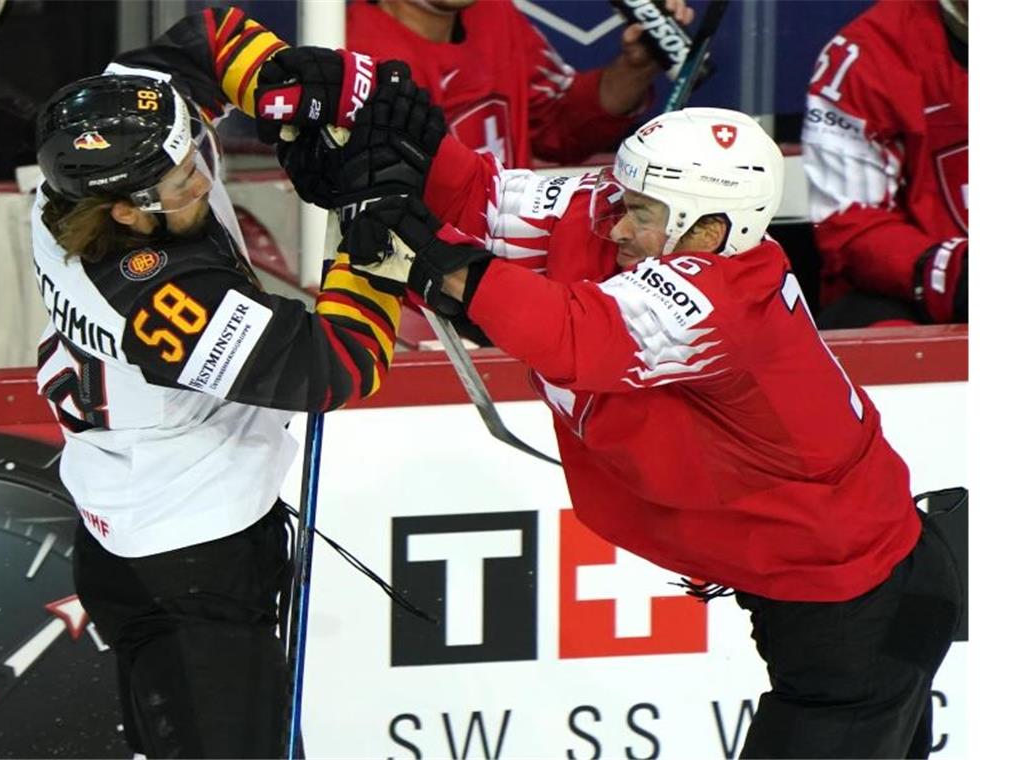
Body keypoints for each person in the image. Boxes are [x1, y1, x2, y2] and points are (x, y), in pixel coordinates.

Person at [312, 95, 963, 756]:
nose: (616, 225)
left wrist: (424, 254)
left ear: (708, 229)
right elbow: (487, 197)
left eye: (642, 213)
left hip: (862, 615)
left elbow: (574, 334)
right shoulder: (634, 223)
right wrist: (354, 117)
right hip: (843, 596)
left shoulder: (721, 306)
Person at [31, 7, 403, 757]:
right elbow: (336, 366)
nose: (204, 177)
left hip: (144, 527)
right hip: (184, 567)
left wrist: (288, 91)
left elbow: (204, 38)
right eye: (180, 180)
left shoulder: (89, 158)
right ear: (124, 213)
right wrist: (377, 231)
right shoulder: (163, 300)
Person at [345, 0, 693, 168]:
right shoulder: (353, 53)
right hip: (419, 289)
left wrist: (636, 67)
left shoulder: (493, 14)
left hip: (505, 264)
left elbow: (561, 125)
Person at [801, 0, 968, 328]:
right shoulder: (865, 53)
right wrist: (956, 274)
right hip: (922, 299)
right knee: (867, 324)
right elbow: (850, 222)